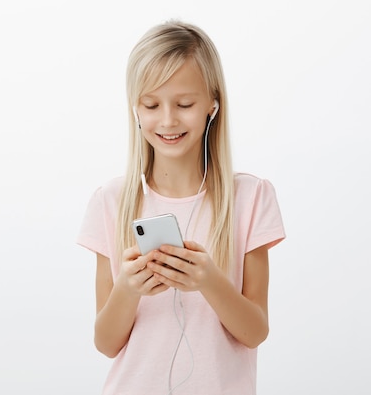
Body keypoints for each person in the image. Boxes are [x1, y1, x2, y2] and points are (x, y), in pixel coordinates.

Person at [76, 20, 286, 395]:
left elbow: (255, 332)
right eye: (152, 104)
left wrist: (209, 281)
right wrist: (128, 288)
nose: (168, 120)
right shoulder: (110, 201)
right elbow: (106, 344)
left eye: (185, 104)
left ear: (212, 104)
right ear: (135, 110)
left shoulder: (251, 198)